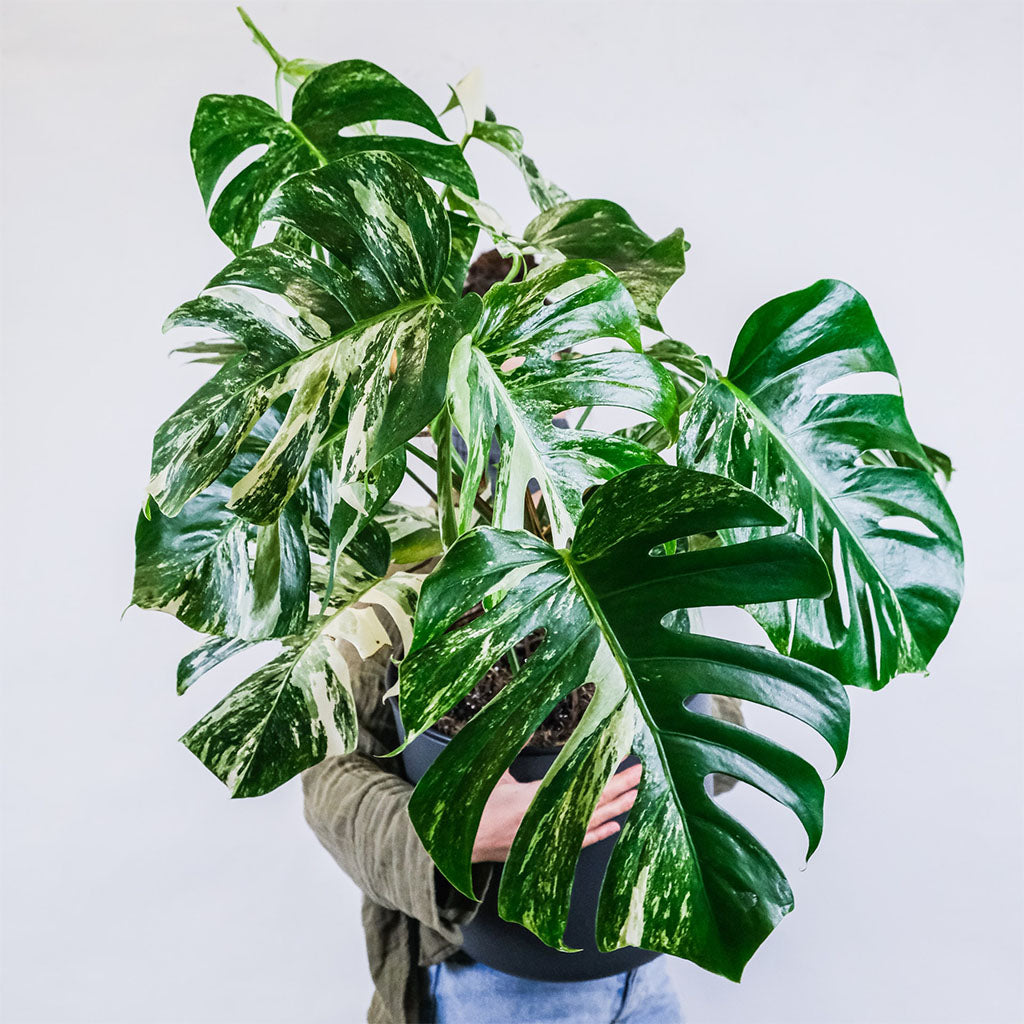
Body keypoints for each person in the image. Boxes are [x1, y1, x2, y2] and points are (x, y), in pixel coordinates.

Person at [300, 252, 742, 1023]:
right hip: (488, 980)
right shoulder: (403, 576)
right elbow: (330, 782)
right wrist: (458, 826)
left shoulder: (607, 545)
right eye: (497, 382)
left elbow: (713, 734)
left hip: (644, 962)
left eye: (549, 377)